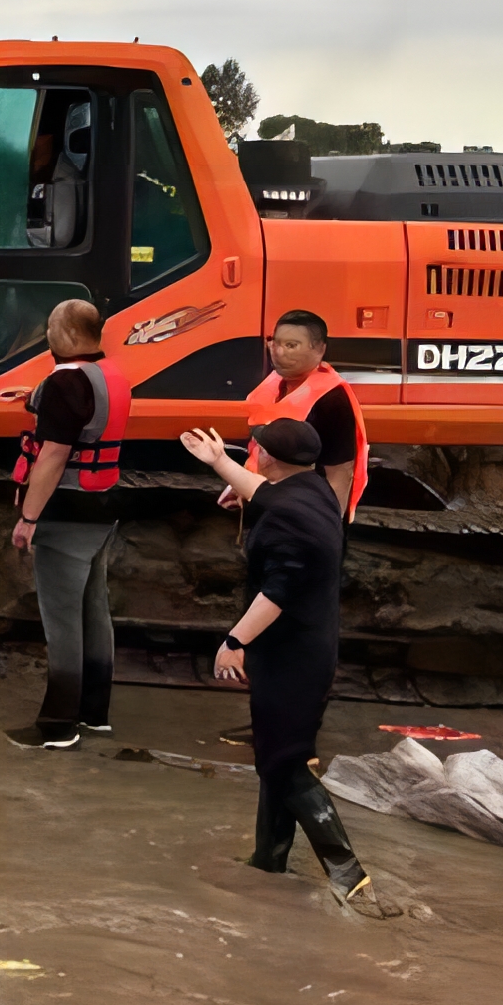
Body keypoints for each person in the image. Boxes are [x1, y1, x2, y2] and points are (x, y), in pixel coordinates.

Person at [180, 419, 381, 909]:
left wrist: (235, 640)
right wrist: (222, 466)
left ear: (269, 456)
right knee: (277, 759)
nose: (253, 450)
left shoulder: (289, 514)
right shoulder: (313, 490)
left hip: (290, 656)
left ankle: (350, 877)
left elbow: (278, 592)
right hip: (305, 649)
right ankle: (268, 861)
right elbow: (266, 492)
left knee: (285, 763)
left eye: (258, 446)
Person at [7, 298, 129, 748]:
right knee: (94, 612)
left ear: (71, 334)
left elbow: (54, 455)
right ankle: (94, 714)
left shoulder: (65, 382)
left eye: (51, 328)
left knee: (61, 622)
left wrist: (28, 517)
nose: (47, 336)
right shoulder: (109, 375)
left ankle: (58, 725)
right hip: (103, 505)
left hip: (67, 511)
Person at [241, 310, 368, 523]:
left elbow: (340, 473)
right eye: (275, 343)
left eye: (291, 345)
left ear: (319, 349)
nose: (279, 352)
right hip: (270, 508)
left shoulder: (331, 399)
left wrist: (327, 526)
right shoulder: (272, 385)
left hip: (306, 515)